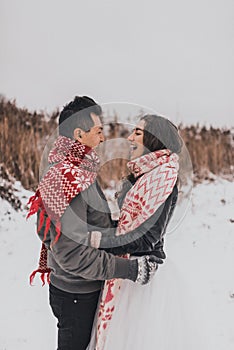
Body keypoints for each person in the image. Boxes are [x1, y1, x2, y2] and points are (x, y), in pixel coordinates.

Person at [27, 97, 159, 350]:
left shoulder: (68, 169)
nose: (101, 139)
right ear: (79, 134)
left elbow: (57, 231)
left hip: (74, 289)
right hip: (77, 294)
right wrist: (130, 270)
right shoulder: (69, 178)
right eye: (98, 131)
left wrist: (122, 225)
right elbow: (72, 254)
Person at [88, 114, 208, 350]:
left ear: (154, 140)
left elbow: (148, 238)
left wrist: (102, 241)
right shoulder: (142, 174)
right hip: (124, 268)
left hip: (143, 278)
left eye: (138, 133)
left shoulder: (163, 179)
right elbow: (127, 223)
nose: (130, 137)